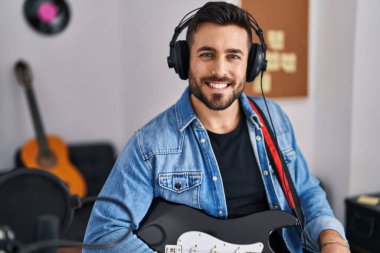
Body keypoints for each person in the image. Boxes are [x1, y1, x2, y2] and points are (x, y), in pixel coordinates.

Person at [84, 2, 350, 252]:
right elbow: (103, 235)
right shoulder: (150, 145)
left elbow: (305, 191)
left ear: (252, 64)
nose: (219, 70)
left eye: (233, 56)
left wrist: (331, 237)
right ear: (183, 60)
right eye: (207, 54)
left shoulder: (275, 119)